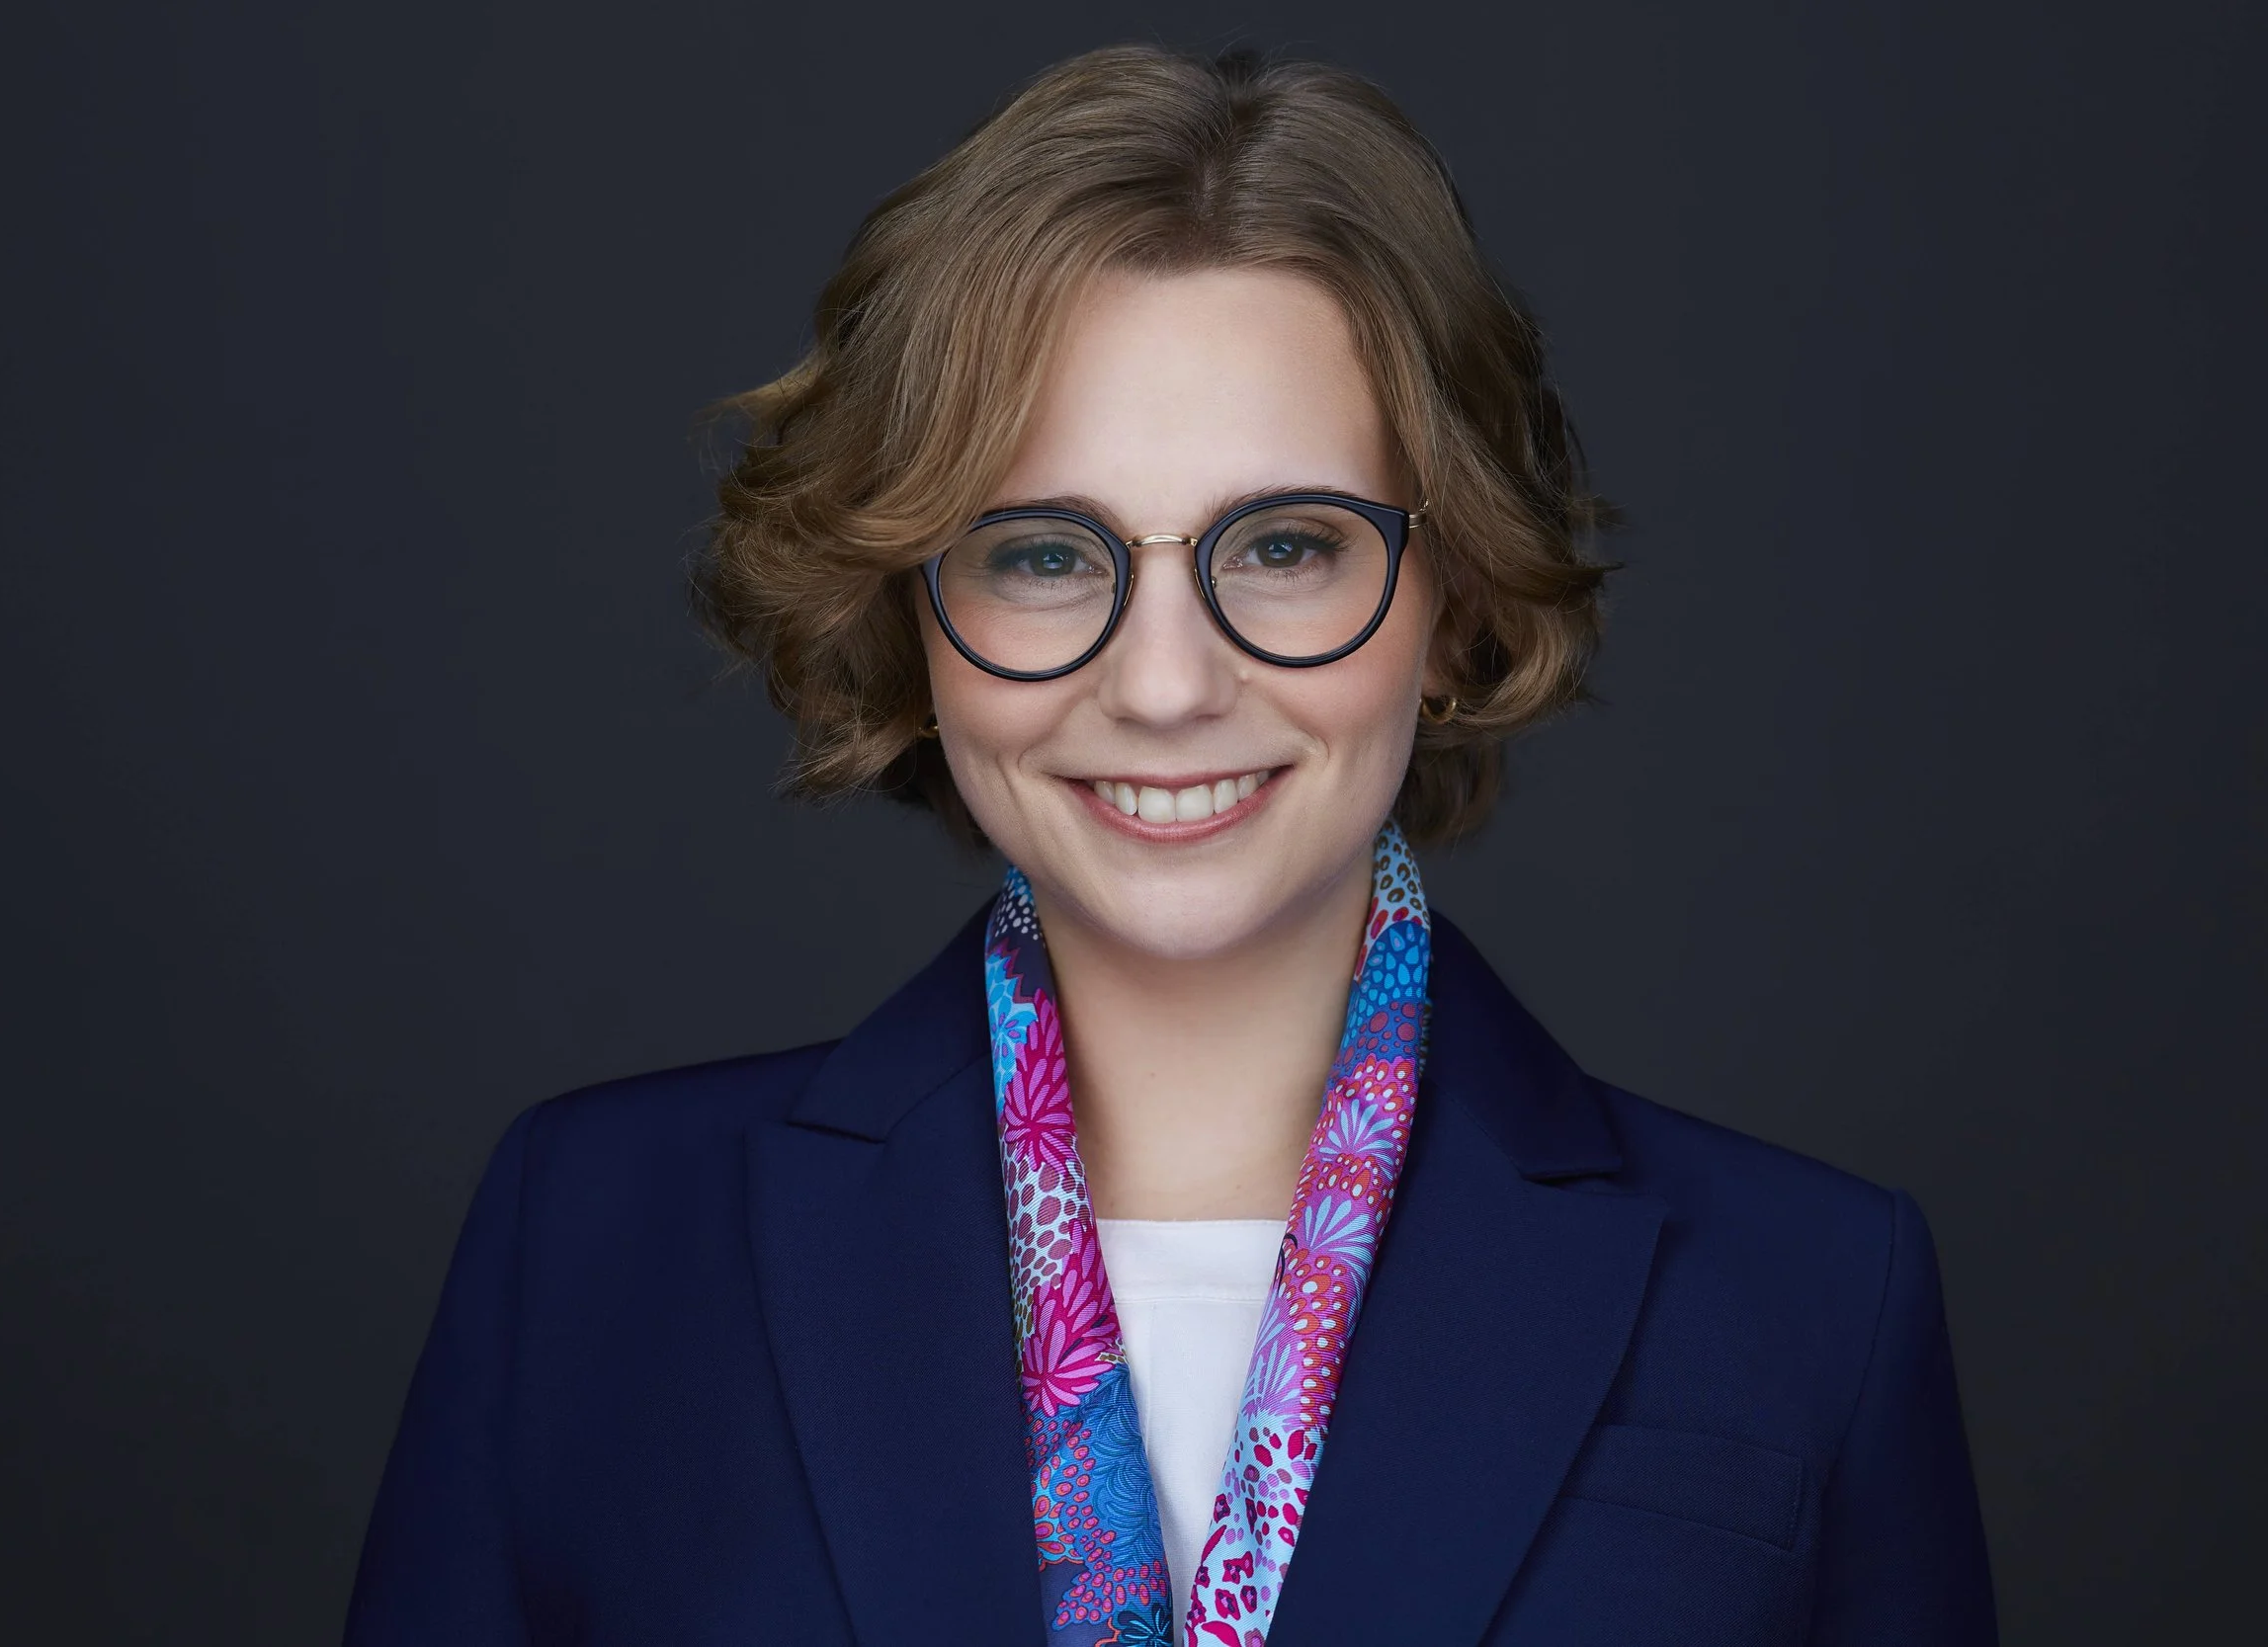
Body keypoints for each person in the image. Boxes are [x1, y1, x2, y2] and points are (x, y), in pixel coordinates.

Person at [344, 43, 1996, 1647]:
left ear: (1457, 590)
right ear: (910, 611)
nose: (1163, 683)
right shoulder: (594, 1246)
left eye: (1284, 543)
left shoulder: (1811, 1297)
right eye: (1043, 554)